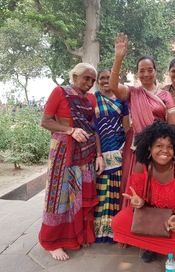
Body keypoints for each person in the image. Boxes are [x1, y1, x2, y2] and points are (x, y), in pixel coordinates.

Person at [111, 120, 175, 270]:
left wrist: (174, 220)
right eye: (159, 146)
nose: (164, 151)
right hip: (154, 214)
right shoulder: (142, 167)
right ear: (149, 147)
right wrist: (138, 203)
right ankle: (154, 247)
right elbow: (139, 200)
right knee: (118, 222)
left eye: (169, 147)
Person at [38, 63, 105, 261]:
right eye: (86, 78)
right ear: (74, 76)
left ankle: (79, 234)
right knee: (59, 195)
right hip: (63, 150)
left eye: (93, 80)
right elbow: (45, 121)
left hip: (86, 151)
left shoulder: (91, 98)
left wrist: (99, 155)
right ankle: (53, 242)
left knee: (81, 193)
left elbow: (94, 129)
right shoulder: (60, 92)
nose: (90, 83)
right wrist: (71, 131)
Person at [109, 33, 175, 209]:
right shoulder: (132, 92)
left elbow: (174, 126)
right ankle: (132, 223)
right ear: (137, 73)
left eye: (150, 70)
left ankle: (154, 225)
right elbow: (113, 86)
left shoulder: (165, 95)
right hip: (136, 146)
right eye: (142, 70)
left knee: (156, 185)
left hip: (159, 147)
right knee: (135, 186)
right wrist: (118, 58)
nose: (146, 74)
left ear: (155, 71)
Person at [93, 68, 130, 244]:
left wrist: (127, 149)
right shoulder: (94, 99)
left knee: (117, 190)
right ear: (97, 81)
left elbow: (127, 127)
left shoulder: (122, 101)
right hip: (101, 150)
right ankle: (101, 231)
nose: (106, 81)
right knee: (102, 189)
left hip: (119, 149)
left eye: (109, 78)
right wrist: (98, 153)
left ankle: (117, 231)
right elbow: (94, 129)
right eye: (102, 78)